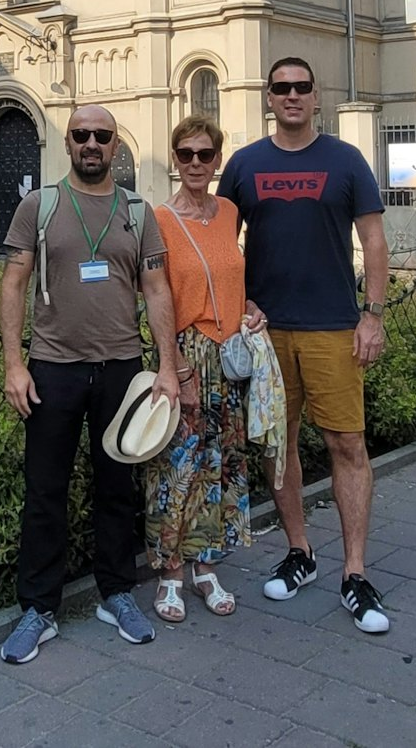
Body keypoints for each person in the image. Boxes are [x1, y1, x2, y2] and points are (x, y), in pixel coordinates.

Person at [0, 105, 180, 663]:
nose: (92, 144)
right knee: (45, 491)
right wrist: (13, 364)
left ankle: (116, 593)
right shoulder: (40, 205)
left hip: (123, 368)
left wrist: (169, 367)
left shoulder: (137, 211)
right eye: (82, 135)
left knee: (116, 489)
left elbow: (156, 290)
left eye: (102, 136)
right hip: (53, 366)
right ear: (68, 143)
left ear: (116, 144)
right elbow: (13, 284)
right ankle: (39, 609)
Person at [218, 55, 391, 635]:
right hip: (266, 336)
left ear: (317, 96)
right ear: (268, 97)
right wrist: (238, 304)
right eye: (281, 88)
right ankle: (300, 553)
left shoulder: (345, 161)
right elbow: (224, 245)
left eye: (301, 88)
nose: (291, 96)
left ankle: (356, 573)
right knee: (277, 446)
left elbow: (374, 238)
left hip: (334, 328)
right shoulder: (244, 164)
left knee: (346, 444)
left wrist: (373, 316)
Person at [145, 114, 268, 622]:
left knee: (221, 462)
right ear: (175, 160)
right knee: (179, 466)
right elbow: (157, 298)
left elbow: (230, 275)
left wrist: (250, 307)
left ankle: (207, 564)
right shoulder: (158, 219)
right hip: (188, 354)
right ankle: (170, 572)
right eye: (185, 154)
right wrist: (174, 369)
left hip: (230, 354)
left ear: (218, 160)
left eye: (205, 154)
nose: (196, 163)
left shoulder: (228, 213)